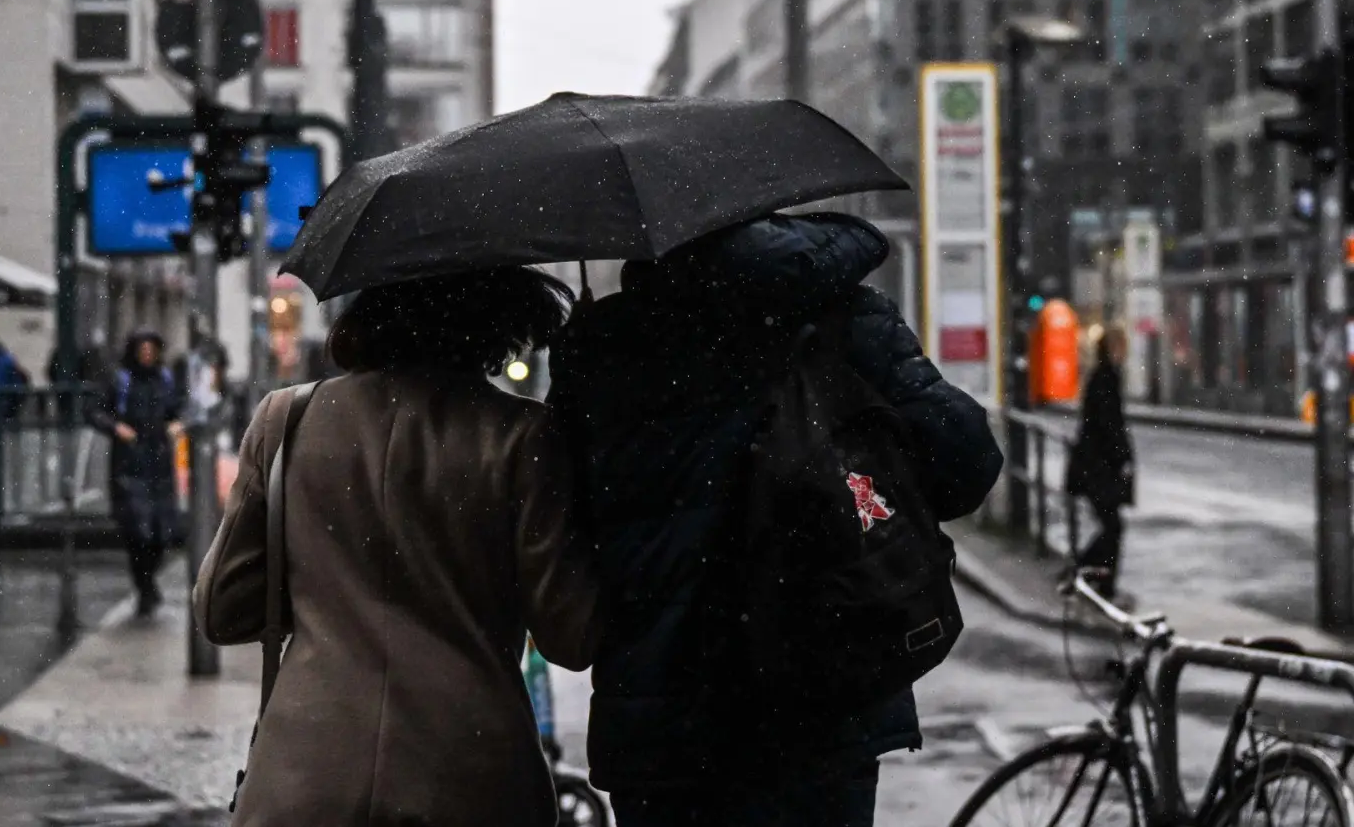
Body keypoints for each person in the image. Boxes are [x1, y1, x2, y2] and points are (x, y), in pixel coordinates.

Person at [548, 213, 1004, 827]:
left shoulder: (603, 350)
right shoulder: (841, 317)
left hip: (664, 727)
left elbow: (560, 520)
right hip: (823, 695)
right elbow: (965, 463)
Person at [193, 267, 601, 827]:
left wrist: (330, 589)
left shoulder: (288, 420)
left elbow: (224, 608)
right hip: (466, 774)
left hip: (310, 774)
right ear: (497, 319)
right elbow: (571, 635)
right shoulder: (522, 436)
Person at [90, 329, 184, 616]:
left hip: (160, 465)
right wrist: (116, 427)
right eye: (142, 349)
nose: (147, 354)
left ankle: (147, 581)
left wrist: (178, 424)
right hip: (129, 465)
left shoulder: (166, 380)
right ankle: (145, 588)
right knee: (137, 532)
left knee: (160, 535)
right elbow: (94, 411)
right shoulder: (120, 380)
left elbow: (181, 409)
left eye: (151, 349)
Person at [1068, 326, 1134, 598]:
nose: (1124, 351)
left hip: (1095, 466)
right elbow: (1109, 426)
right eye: (1121, 346)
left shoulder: (1101, 376)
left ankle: (1090, 574)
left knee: (1111, 525)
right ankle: (1091, 576)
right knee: (1113, 526)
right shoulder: (1107, 378)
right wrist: (1123, 458)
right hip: (1100, 468)